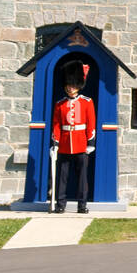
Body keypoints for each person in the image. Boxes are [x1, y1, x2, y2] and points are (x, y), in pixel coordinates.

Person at [52, 66, 96, 213]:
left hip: (81, 144)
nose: (70, 88)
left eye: (73, 85)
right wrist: (55, 143)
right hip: (64, 144)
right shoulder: (60, 104)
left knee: (82, 178)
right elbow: (57, 125)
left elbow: (91, 123)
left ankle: (82, 205)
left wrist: (90, 142)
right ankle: (60, 204)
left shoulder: (86, 102)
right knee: (62, 177)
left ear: (78, 86)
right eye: (68, 85)